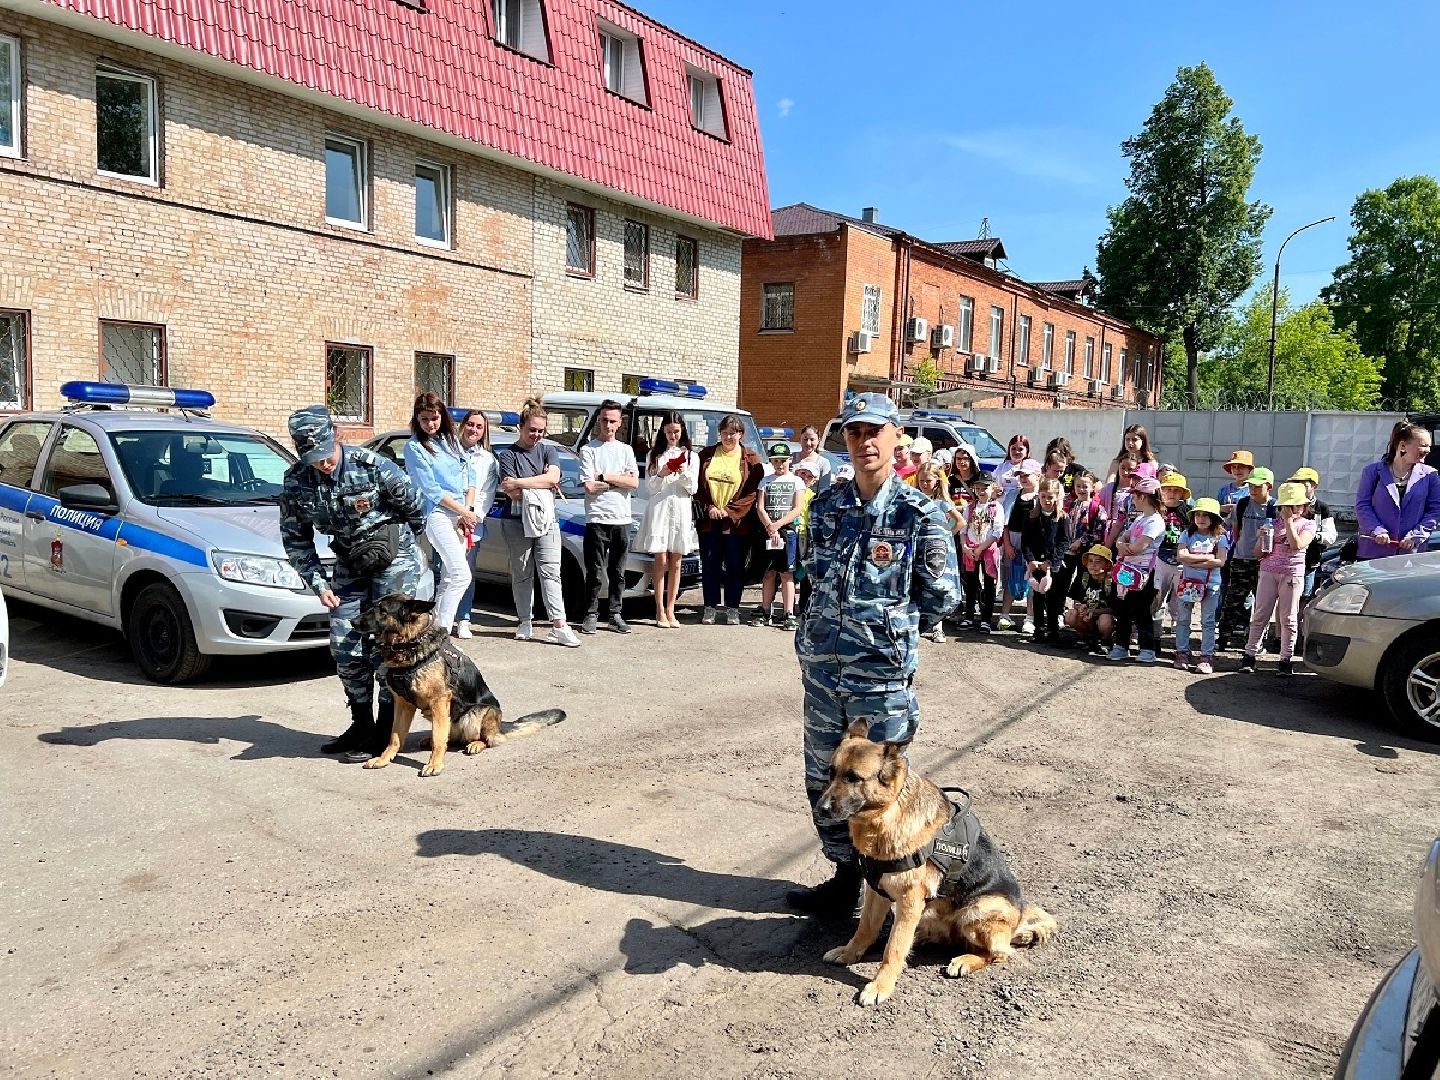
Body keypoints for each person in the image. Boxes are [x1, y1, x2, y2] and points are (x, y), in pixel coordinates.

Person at [788, 393, 961, 916]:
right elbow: (814, 574)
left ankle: (888, 892)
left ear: (895, 436)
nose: (864, 441)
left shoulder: (919, 512)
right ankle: (845, 878)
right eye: (855, 431)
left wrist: (885, 630)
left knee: (881, 786)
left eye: (874, 431)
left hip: (879, 678)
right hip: (823, 671)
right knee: (824, 778)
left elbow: (942, 595)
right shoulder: (826, 505)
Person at [279, 405, 427, 760]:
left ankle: (386, 731)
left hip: (393, 560)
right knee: (344, 645)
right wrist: (318, 583)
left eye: (326, 454)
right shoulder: (296, 481)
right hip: (350, 561)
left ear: (337, 436)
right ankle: (361, 724)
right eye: (314, 458)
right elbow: (295, 538)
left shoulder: (372, 466)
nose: (323, 464)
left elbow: (417, 507)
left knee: (388, 645)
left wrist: (398, 543)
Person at [496, 399, 581, 647]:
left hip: (546, 520)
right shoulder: (508, 455)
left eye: (541, 431)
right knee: (522, 573)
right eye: (532, 430)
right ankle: (525, 620)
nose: (536, 435)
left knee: (551, 572)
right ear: (521, 427)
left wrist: (521, 481)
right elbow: (512, 492)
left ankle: (559, 625)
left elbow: (552, 478)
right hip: (516, 521)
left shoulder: (548, 450)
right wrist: (540, 482)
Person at [402, 394, 479, 636]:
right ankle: (442, 631)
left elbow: (470, 475)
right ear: (417, 419)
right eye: (424, 419)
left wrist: (467, 512)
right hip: (437, 514)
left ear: (442, 416)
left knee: (449, 577)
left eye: (434, 418)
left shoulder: (450, 440)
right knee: (461, 575)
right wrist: (463, 511)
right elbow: (430, 489)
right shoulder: (414, 447)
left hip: (460, 513)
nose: (430, 424)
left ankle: (434, 629)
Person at [694, 414, 765, 625]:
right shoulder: (705, 455)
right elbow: (697, 488)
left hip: (736, 524)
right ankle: (710, 607)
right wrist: (709, 507)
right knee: (710, 564)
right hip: (710, 521)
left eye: (732, 433)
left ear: (740, 434)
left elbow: (752, 494)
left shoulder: (751, 459)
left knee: (735, 566)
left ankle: (733, 608)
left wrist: (729, 511)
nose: (728, 437)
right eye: (724, 433)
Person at [579, 400, 640, 635]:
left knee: (618, 572)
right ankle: (590, 614)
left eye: (612, 421)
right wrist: (619, 481)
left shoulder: (626, 450)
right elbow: (589, 486)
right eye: (604, 420)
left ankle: (615, 614)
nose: (608, 425)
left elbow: (633, 483)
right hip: (597, 518)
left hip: (621, 519)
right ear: (599, 421)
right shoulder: (589, 450)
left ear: (620, 423)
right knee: (594, 572)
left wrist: (604, 477)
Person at [1242, 482, 1316, 676]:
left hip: (1291, 574)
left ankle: (1285, 659)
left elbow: (1297, 545)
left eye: (1297, 505)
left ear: (1304, 506)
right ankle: (1249, 655)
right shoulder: (1272, 524)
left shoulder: (1308, 524)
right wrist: (1261, 537)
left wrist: (1289, 522)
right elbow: (1258, 553)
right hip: (1268, 572)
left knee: (1288, 618)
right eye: (1288, 506)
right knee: (1260, 614)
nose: (1293, 509)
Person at [635, 411, 698, 628]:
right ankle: (659, 608)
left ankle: (671, 608)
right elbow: (650, 488)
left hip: (680, 509)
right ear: (663, 431)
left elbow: (693, 488)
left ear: (682, 431)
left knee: (676, 560)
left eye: (676, 432)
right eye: (669, 431)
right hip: (660, 508)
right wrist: (662, 473)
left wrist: (683, 472)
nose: (673, 436)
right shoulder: (654, 454)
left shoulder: (691, 456)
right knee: (660, 559)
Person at [1356, 420, 1440, 561]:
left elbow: (1435, 511)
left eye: (1429, 446)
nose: (1428, 450)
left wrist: (1416, 535)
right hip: (1374, 552)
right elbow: (1362, 505)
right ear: (1402, 446)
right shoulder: (1372, 472)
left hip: (1411, 556)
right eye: (1423, 445)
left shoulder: (1431, 475)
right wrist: (1377, 530)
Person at [452, 409, 499, 640]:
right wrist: (456, 514)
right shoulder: (448, 452)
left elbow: (486, 494)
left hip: (471, 525)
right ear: (463, 425)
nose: (474, 430)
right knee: (444, 572)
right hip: (447, 520)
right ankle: (443, 617)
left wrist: (471, 517)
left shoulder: (488, 460)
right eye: (471, 424)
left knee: (466, 573)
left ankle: (463, 618)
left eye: (479, 426)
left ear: (484, 431)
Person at [1108, 477, 1165, 663]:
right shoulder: (1140, 519)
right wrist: (1121, 544)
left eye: (1135, 495)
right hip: (1127, 570)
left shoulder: (1156, 521)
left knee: (1141, 610)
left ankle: (1147, 649)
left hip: (1145, 573)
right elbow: (1124, 537)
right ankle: (1121, 646)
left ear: (1143, 497)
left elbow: (1138, 547)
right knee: (1123, 607)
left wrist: (1124, 546)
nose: (1132, 499)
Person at [1217, 467, 1274, 652]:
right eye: (1251, 486)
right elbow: (1234, 530)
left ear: (1269, 487)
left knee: (1262, 604)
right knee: (1232, 600)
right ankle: (1223, 638)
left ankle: (1257, 642)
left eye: (1258, 486)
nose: (1253, 490)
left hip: (1264, 563)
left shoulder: (1275, 508)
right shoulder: (1242, 504)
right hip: (1241, 559)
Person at [751, 443, 807, 629]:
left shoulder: (797, 481)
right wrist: (770, 527)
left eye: (783, 460)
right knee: (768, 573)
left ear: (789, 460)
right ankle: (766, 610)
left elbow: (797, 508)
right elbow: (760, 507)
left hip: (787, 531)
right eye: (775, 461)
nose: (779, 464)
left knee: (787, 574)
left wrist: (778, 525)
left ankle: (788, 612)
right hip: (768, 531)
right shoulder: (765, 481)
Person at [1173, 497, 1229, 674]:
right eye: (1198, 515)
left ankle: (1206, 656)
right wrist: (1207, 558)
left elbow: (1220, 561)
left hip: (1210, 586)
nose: (1201, 518)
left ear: (1214, 518)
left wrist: (1193, 559)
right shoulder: (1187, 534)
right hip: (1187, 585)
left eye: (1206, 515)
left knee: (1208, 621)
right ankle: (1182, 652)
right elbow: (1181, 556)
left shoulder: (1220, 537)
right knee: (1183, 619)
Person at [914, 461, 964, 642]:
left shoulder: (942, 503)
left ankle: (938, 627)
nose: (924, 484)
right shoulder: (914, 499)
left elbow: (960, 521)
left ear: (937, 481)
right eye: (921, 480)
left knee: (937, 585)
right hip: (917, 548)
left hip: (936, 552)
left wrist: (946, 537)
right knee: (918, 585)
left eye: (928, 480)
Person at [1020, 478, 1073, 644]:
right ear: (1039, 496)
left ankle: (1053, 630)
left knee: (1053, 597)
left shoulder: (1062, 517)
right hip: (1036, 563)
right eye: (1043, 497)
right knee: (1037, 596)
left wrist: (1051, 561)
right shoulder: (1031, 516)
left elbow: (1064, 541)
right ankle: (1039, 629)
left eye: (1050, 497)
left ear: (1057, 497)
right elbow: (1025, 541)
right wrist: (1031, 560)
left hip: (1053, 565)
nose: (1047, 500)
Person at [959, 474, 1004, 631]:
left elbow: (997, 532)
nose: (981, 491)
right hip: (971, 549)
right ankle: (969, 616)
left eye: (985, 487)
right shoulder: (970, 507)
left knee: (989, 584)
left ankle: (986, 619)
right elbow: (963, 529)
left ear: (992, 488)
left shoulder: (996, 507)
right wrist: (965, 546)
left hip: (988, 549)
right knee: (971, 584)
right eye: (978, 488)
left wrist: (981, 548)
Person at [1152, 471, 1193, 638]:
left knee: (1180, 596)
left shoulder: (1188, 511)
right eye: (1167, 489)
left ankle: (1179, 625)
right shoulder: (1156, 509)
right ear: (1161, 491)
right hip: (1160, 557)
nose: (1171, 493)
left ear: (1183, 493)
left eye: (1176, 490)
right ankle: (1155, 629)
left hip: (1181, 558)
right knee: (1157, 594)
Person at [1004, 459, 1041, 634]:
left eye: (1027, 475)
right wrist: (1007, 545)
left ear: (1038, 476)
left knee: (1032, 579)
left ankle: (1029, 618)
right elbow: (1005, 523)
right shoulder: (1013, 495)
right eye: (1021, 475)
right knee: (1010, 576)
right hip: (1013, 538)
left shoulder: (1041, 496)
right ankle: (1005, 614)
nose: (1023, 478)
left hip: (1033, 542)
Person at [1287, 467, 1337, 599]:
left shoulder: (1322, 508)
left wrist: (1310, 535)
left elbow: (1331, 536)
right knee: (1287, 595)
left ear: (1314, 485)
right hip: (1288, 561)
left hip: (1310, 560)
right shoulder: (1288, 504)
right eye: (1296, 483)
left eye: (1303, 484)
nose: (1299, 487)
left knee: (1306, 595)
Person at [1065, 544, 1117, 652]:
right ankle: (1088, 638)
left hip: (1105, 617)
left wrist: (1093, 611)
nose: (1093, 565)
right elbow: (1076, 600)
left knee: (1105, 620)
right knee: (1071, 615)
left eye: (1098, 562)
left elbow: (1115, 609)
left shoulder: (1112, 581)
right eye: (1090, 561)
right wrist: (1081, 608)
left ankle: (1106, 641)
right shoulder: (1083, 577)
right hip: (1088, 616)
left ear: (1107, 565)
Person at [793, 424, 834, 494]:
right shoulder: (790, 459)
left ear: (818, 441)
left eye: (812, 439)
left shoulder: (823, 463)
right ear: (800, 439)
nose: (808, 443)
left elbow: (823, 491)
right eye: (805, 439)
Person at [1217, 450, 1255, 520]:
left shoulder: (1254, 489)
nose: (1237, 470)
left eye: (1241, 467)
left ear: (1250, 469)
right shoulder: (1224, 490)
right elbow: (1217, 512)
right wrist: (1221, 508)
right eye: (1234, 467)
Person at [947, 442, 982, 511]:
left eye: (965, 458)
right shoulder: (950, 480)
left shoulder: (979, 479)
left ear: (971, 460)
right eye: (958, 459)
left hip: (972, 514)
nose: (962, 462)